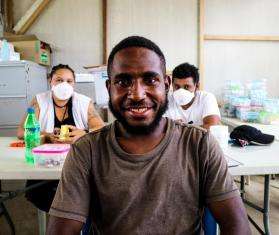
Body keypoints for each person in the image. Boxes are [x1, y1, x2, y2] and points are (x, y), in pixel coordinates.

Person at [47, 36, 251, 235]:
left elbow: (236, 224)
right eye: (123, 82)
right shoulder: (86, 150)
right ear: (109, 88)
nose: (137, 94)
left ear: (166, 84)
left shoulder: (200, 145)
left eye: (151, 80)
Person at [17, 64, 105, 212]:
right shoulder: (39, 101)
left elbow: (102, 129)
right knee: (48, 196)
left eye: (69, 81)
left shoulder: (83, 102)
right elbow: (21, 132)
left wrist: (84, 132)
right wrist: (46, 136)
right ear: (50, 81)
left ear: (74, 84)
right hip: (47, 162)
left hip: (79, 161)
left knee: (86, 193)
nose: (64, 84)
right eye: (59, 80)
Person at [164, 62, 220, 129]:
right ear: (172, 85)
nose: (181, 92)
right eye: (177, 87)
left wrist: (178, 128)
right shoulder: (165, 100)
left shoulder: (206, 98)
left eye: (186, 87)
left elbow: (212, 127)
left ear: (197, 86)